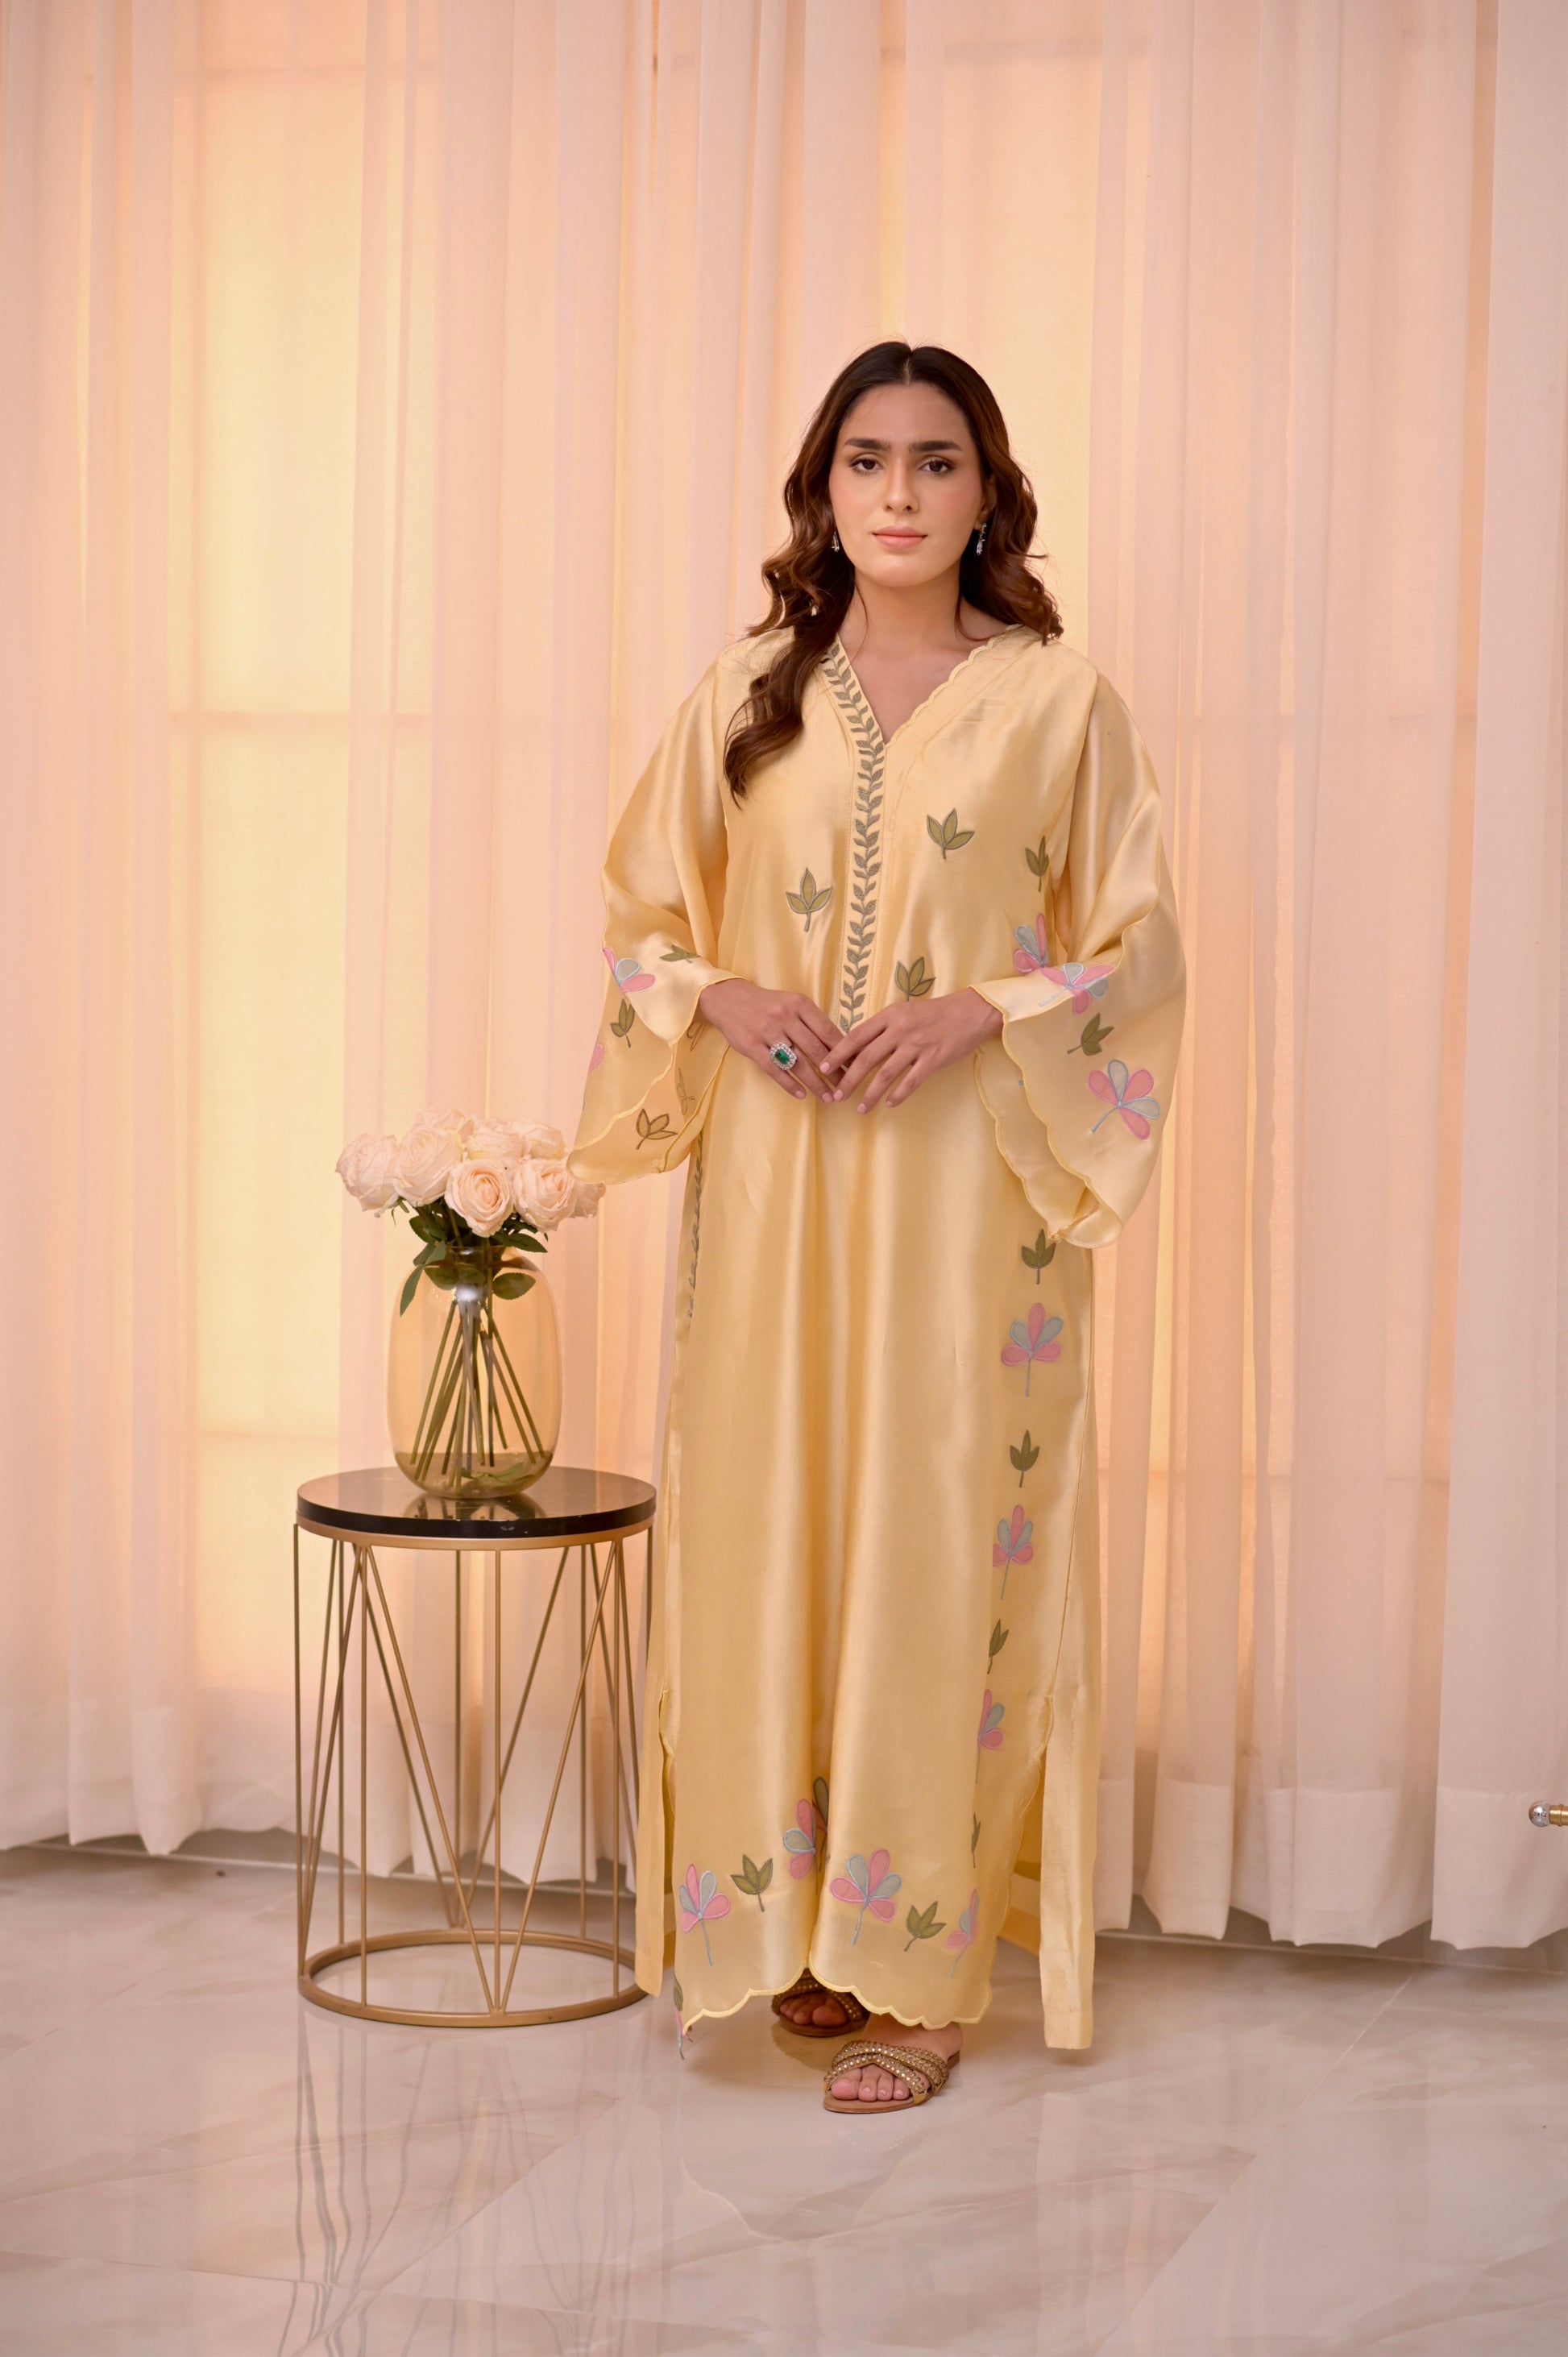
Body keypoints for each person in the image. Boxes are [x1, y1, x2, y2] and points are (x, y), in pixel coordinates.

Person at [568, 342, 1184, 2112]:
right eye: (864, 460)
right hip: (774, 1182)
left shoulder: (1061, 701)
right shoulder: (747, 689)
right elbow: (638, 920)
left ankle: (918, 1967)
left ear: (987, 492)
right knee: (770, 1522)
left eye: (935, 460)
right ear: (822, 490)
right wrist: (725, 993)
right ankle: (792, 1932)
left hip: (963, 1194)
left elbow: (1137, 945)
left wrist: (984, 1007)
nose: (899, 493)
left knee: (933, 1532)